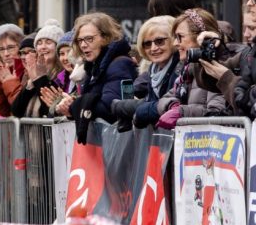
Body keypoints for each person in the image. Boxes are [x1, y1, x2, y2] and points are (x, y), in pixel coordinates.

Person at [44, 13, 135, 143]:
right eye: (80, 40)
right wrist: (73, 104)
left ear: (105, 37)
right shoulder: (92, 66)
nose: (83, 45)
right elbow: (92, 100)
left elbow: (110, 107)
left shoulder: (119, 64)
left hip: (118, 143)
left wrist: (74, 105)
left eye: (89, 39)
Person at [157, 9, 235, 125]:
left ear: (201, 37)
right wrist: (173, 105)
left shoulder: (217, 65)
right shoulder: (188, 69)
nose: (175, 43)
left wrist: (182, 112)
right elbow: (164, 99)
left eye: (180, 37)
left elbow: (217, 112)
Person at [113, 16, 178, 128]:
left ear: (174, 40)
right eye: (147, 44)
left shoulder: (179, 68)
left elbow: (170, 106)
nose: (153, 48)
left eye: (159, 41)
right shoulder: (153, 71)